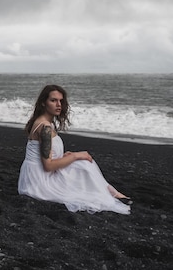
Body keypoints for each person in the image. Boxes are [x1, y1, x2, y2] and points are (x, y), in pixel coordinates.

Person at [18, 84, 131, 215]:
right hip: (38, 182)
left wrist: (66, 155)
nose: (58, 104)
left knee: (81, 163)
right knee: (82, 162)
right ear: (43, 103)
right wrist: (75, 156)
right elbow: (48, 166)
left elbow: (44, 155)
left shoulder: (42, 122)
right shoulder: (45, 128)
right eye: (53, 100)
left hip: (33, 176)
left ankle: (110, 191)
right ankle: (111, 193)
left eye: (61, 101)